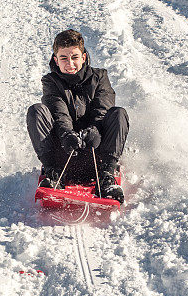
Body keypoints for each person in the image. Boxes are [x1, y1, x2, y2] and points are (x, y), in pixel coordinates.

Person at [26, 29, 129, 203]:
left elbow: (103, 106)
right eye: (64, 58)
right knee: (37, 111)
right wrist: (67, 134)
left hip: (96, 155)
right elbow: (58, 110)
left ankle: (106, 177)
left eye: (74, 57)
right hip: (64, 155)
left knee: (118, 113)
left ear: (84, 57)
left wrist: (94, 130)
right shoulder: (51, 82)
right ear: (55, 60)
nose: (70, 64)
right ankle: (53, 174)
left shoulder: (100, 77)